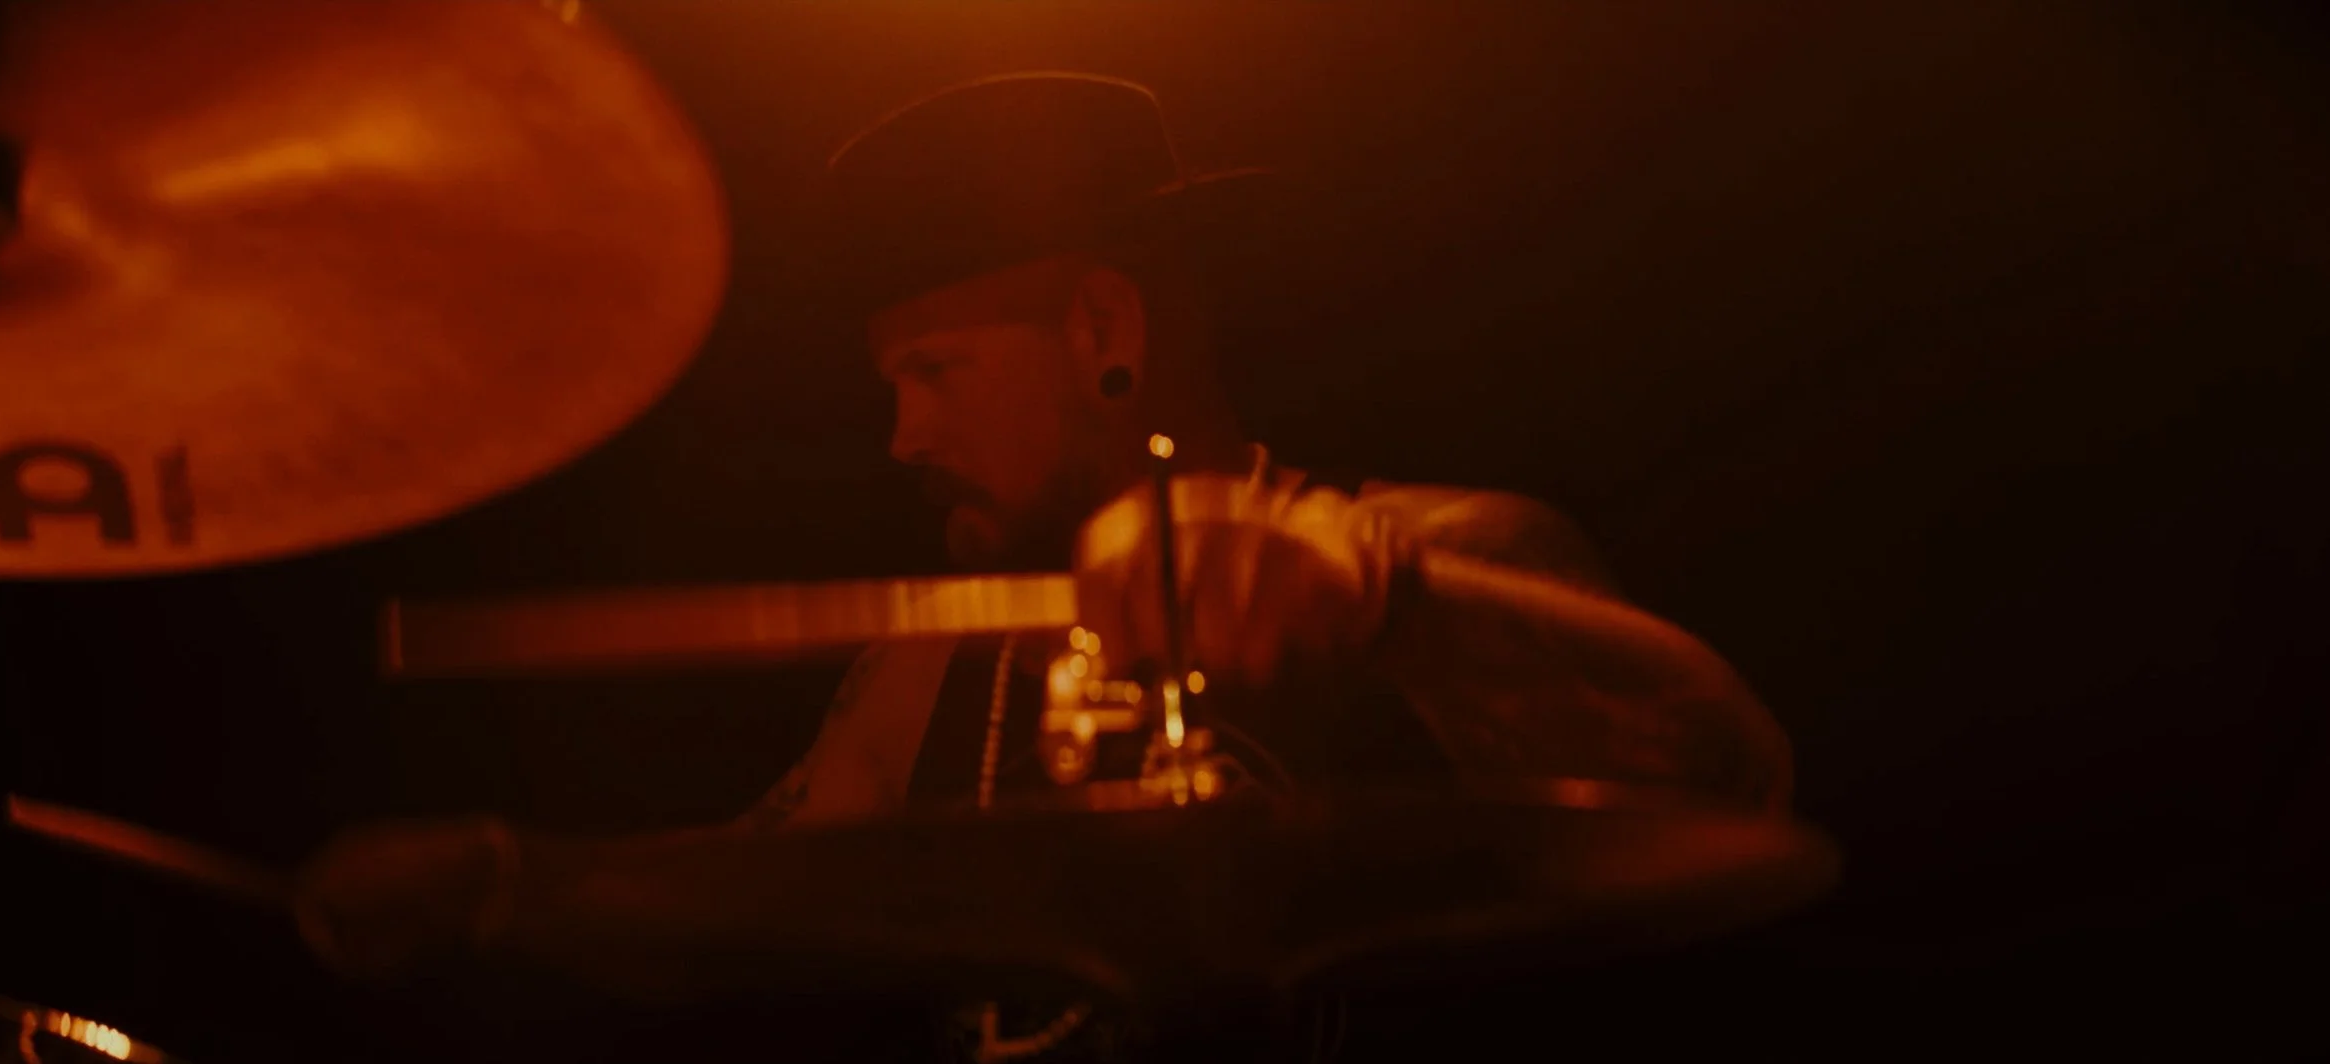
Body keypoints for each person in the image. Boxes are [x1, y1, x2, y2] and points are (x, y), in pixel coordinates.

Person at [294, 73, 1796, 1059]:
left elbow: (1722, 775)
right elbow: (747, 903)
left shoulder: (1440, 556)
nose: (898, 437)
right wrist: (519, 886)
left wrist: (1375, 593)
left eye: (933, 372)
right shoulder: (923, 673)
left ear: (1101, 336)